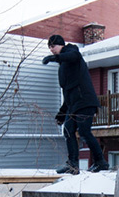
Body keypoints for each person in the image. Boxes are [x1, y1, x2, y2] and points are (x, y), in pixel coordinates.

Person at [42, 34, 110, 174]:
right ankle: (72, 164)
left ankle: (100, 162)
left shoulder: (71, 51)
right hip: (73, 105)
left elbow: (73, 56)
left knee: (84, 131)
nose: (51, 50)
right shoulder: (63, 67)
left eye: (53, 46)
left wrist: (54, 58)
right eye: (49, 48)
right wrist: (62, 113)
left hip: (85, 101)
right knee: (68, 130)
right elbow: (67, 92)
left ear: (61, 45)